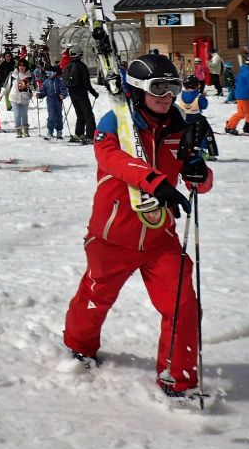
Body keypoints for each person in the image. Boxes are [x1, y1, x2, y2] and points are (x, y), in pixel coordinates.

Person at [63, 54, 213, 396]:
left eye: (172, 87)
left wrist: (199, 173)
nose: (166, 95)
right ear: (137, 89)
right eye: (157, 87)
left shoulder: (180, 129)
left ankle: (178, 378)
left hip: (160, 236)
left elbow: (199, 179)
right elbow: (111, 159)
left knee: (182, 304)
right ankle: (78, 344)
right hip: (112, 235)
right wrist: (155, 181)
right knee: (96, 295)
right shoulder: (114, 121)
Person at [62, 48, 99, 143]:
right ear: (80, 55)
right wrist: (94, 93)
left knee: (80, 115)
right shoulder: (82, 66)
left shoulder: (68, 65)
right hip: (81, 93)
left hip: (72, 93)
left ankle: (79, 134)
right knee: (88, 115)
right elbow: (86, 83)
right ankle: (90, 136)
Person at [5, 59, 34, 137]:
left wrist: (33, 91)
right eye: (20, 65)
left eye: (23, 65)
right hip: (14, 97)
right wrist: (1, 95)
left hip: (25, 97)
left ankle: (25, 129)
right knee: (17, 114)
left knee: (24, 114)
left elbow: (33, 86)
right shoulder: (13, 74)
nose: (21, 67)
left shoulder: (29, 75)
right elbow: (7, 86)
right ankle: (18, 130)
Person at [38, 63, 68, 139]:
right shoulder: (46, 82)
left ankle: (59, 130)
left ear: (54, 73)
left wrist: (63, 95)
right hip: (50, 101)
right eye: (47, 73)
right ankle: (50, 131)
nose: (48, 75)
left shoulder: (59, 81)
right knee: (51, 116)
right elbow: (43, 91)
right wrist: (40, 95)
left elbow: (64, 90)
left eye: (50, 73)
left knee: (58, 116)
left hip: (58, 101)